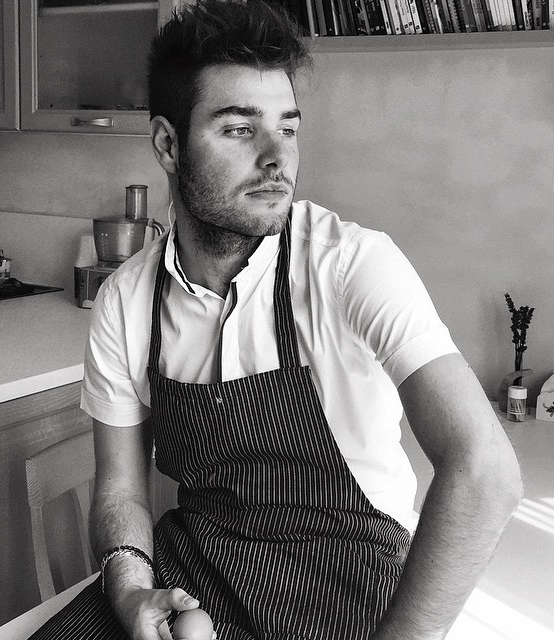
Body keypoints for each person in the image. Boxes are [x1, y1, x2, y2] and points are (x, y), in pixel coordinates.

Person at [31, 1, 522, 639]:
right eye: (240, 129)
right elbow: (121, 490)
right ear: (168, 145)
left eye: (287, 129)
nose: (276, 158)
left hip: (349, 578)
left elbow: (484, 472)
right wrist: (129, 590)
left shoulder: (350, 265)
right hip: (197, 571)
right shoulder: (127, 300)